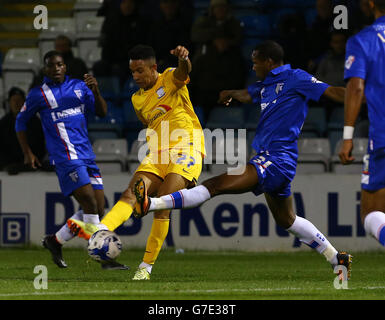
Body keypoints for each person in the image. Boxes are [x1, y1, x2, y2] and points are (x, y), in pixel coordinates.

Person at [133, 41, 353, 279]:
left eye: (256, 61)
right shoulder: (266, 84)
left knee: (214, 185)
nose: (252, 66)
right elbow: (250, 94)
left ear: (269, 62)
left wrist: (361, 95)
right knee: (287, 220)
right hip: (274, 162)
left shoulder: (296, 77)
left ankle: (152, 204)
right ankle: (336, 258)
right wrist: (231, 94)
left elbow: (331, 91)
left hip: (275, 159)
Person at [67, 45, 205, 280]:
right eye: (132, 72)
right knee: (129, 195)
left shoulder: (170, 77)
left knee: (163, 203)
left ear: (154, 68)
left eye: (140, 71)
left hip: (187, 148)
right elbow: (149, 125)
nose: (136, 77)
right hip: (158, 153)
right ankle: (100, 233)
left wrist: (185, 59)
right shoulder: (137, 99)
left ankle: (146, 267)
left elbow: (184, 72)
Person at [15, 51, 125, 270]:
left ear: (65, 67)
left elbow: (102, 112)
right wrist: (27, 152)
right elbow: (20, 122)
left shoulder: (79, 86)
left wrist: (95, 89)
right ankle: (105, 259)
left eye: (60, 64)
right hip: (64, 158)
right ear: (45, 70)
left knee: (97, 210)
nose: (56, 68)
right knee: (90, 203)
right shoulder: (38, 95)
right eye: (51, 65)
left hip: (87, 155)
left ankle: (54, 241)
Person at [339, 0, 385, 248]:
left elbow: (356, 88)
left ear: (369, 4)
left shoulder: (363, 40)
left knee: (371, 214)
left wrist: (347, 136)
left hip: (383, 137)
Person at [93, 0, 149, 84]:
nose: (127, 6)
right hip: (112, 59)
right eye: (124, 3)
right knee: (99, 67)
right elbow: (106, 45)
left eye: (130, 3)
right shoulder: (111, 21)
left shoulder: (141, 22)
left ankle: (120, 95)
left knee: (119, 70)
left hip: (131, 60)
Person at [0, 87, 45, 174]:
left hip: (33, 166)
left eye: (19, 100)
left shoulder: (34, 122)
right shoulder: (3, 123)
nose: (16, 103)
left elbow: (40, 145)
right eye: (13, 100)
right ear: (9, 103)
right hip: (8, 166)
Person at [147, 0, 192, 72]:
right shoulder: (156, 25)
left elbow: (184, 51)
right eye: (165, 2)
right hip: (156, 63)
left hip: (175, 65)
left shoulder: (184, 25)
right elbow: (151, 47)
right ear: (161, 5)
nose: (169, 5)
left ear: (177, 4)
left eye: (172, 2)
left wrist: (164, 61)